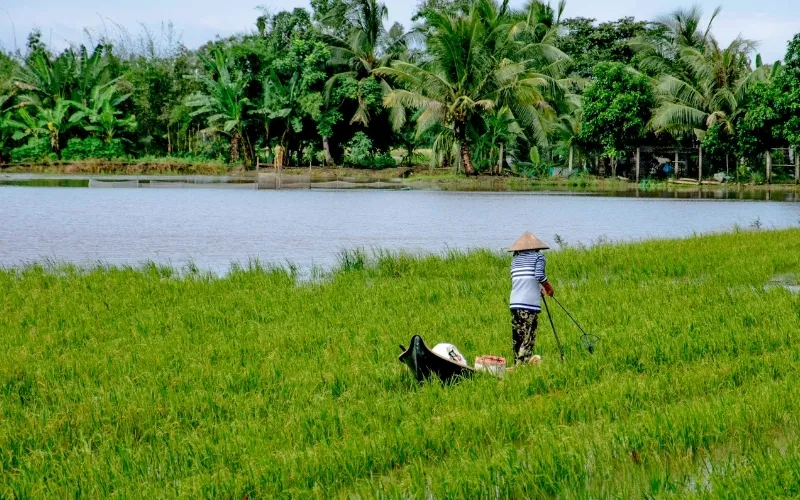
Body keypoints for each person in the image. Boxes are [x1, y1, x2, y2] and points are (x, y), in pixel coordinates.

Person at [508, 232, 554, 365]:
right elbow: (539, 275)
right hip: (529, 304)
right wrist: (548, 287)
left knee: (518, 337)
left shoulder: (514, 260)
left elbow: (522, 280)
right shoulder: (539, 257)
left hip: (515, 303)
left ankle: (518, 364)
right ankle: (521, 367)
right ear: (536, 248)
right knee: (528, 337)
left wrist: (538, 288)